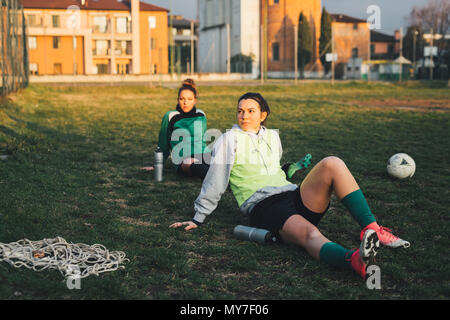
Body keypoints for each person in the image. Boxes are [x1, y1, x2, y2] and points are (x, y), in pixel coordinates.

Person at [170, 92, 410, 279]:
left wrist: (290, 171)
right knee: (311, 234)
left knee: (332, 163)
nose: (244, 115)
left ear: (263, 115)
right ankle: (354, 260)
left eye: (251, 111)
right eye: (240, 111)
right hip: (264, 207)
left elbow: (272, 172)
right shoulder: (228, 139)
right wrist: (198, 216)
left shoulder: (273, 137)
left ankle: (372, 228)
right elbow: (216, 180)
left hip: (293, 195)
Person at [156, 79, 210, 179]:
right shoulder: (170, 116)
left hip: (202, 154)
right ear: (178, 100)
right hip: (184, 159)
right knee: (190, 162)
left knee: (220, 158)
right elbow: (163, 142)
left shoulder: (201, 115)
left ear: (195, 100)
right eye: (182, 99)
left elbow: (202, 141)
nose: (185, 102)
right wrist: (158, 163)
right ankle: (217, 178)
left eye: (189, 99)